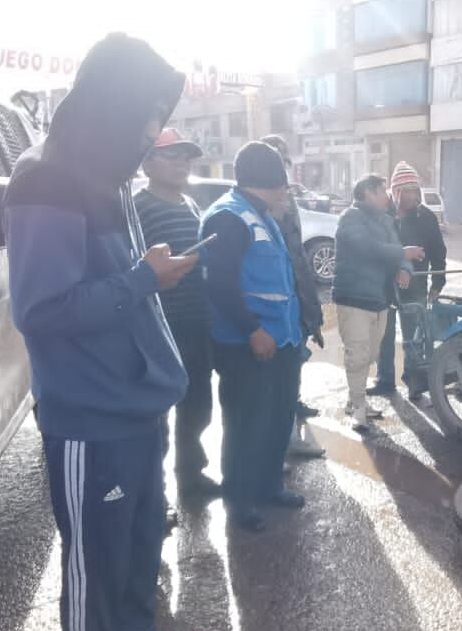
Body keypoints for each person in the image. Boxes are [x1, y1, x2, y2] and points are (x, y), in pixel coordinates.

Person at [4, 33, 209, 631]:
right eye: (146, 112)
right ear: (112, 103)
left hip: (136, 402)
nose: (153, 131)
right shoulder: (45, 179)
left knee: (136, 535)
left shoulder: (105, 172)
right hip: (88, 416)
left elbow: (118, 281)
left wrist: (148, 277)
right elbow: (43, 309)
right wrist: (145, 279)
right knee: (91, 556)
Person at [201, 141, 307, 531]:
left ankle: (268, 486)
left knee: (277, 418)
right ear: (267, 181)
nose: (285, 190)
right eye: (281, 182)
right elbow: (221, 285)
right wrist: (253, 329)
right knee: (246, 423)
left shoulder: (262, 214)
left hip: (282, 341)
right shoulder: (228, 218)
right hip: (248, 343)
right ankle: (240, 500)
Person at [134, 128, 219, 505]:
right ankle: (155, 497)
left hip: (198, 321)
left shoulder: (191, 205)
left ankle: (191, 474)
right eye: (172, 155)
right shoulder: (138, 208)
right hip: (160, 326)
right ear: (147, 161)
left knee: (198, 402)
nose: (183, 162)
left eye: (187, 156)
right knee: (156, 416)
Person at [334, 174, 424, 430]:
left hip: (381, 298)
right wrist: (402, 254)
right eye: (383, 191)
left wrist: (405, 268)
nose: (388, 197)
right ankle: (358, 409)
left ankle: (356, 400)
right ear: (367, 193)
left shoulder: (385, 221)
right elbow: (367, 248)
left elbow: (397, 249)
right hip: (354, 298)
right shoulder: (350, 218)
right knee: (358, 353)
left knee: (370, 353)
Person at [260, 133, 326, 460]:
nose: (281, 166)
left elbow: (298, 252)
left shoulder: (287, 198)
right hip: (274, 301)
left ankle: (289, 420)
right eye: (274, 157)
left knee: (295, 360)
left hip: (296, 291)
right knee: (272, 379)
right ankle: (277, 448)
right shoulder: (260, 205)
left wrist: (310, 305)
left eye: (283, 158)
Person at [372, 160, 444, 402]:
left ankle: (415, 382)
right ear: (396, 192)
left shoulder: (427, 218)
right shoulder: (382, 216)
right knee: (384, 335)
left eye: (416, 189)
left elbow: (438, 252)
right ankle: (385, 380)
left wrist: (438, 282)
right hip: (385, 287)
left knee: (415, 337)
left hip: (416, 286)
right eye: (408, 190)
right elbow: (377, 250)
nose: (414, 195)